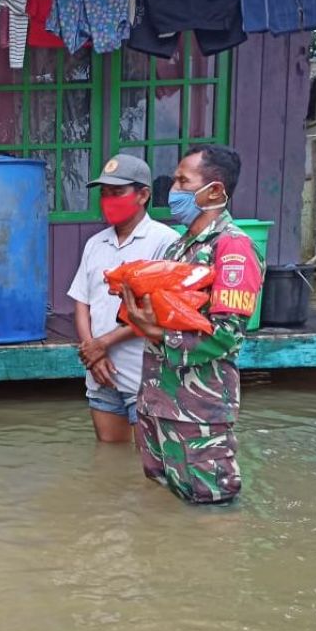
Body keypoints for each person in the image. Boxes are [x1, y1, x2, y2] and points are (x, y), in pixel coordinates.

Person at [122, 145, 262, 505]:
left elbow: (227, 337)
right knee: (161, 505)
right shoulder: (178, 249)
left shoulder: (232, 248)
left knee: (211, 510)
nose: (174, 188)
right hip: (158, 403)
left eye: (184, 181)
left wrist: (155, 332)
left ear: (214, 191)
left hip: (199, 412)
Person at [66, 154, 177, 444]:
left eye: (117, 192)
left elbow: (156, 313)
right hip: (100, 372)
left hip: (143, 374)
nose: (108, 200)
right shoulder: (95, 243)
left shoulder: (164, 241)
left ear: (143, 195)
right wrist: (92, 351)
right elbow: (82, 301)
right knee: (109, 461)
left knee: (149, 467)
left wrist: (102, 344)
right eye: (104, 193)